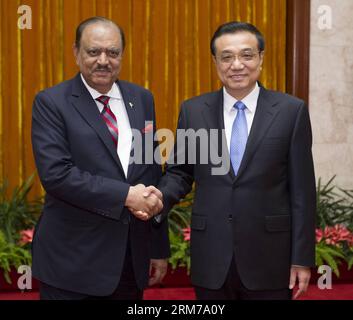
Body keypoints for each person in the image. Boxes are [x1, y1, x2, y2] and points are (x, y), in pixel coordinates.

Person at [156, 21, 316, 300]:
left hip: (270, 258)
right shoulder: (194, 111)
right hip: (211, 257)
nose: (237, 65)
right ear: (215, 62)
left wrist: (301, 258)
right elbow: (181, 172)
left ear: (261, 58)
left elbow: (302, 190)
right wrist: (157, 197)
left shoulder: (291, 111)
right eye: (226, 57)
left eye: (247, 55)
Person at [31, 16, 169, 300]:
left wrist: (157, 248)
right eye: (94, 52)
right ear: (76, 52)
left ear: (122, 54)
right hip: (72, 264)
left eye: (113, 52)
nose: (103, 60)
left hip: (130, 262)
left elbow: (151, 173)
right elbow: (57, 175)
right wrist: (127, 195)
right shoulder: (51, 102)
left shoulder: (142, 98)